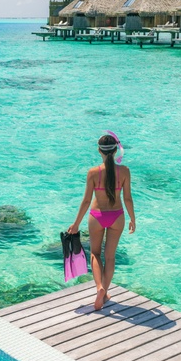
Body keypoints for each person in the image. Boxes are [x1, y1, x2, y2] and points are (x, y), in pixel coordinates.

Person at [68, 132, 136, 310]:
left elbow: (85, 201)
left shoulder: (92, 173)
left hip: (97, 216)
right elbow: (128, 198)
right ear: (115, 151)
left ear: (99, 151)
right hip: (117, 216)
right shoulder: (125, 171)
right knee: (110, 256)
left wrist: (76, 224)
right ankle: (105, 292)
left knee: (95, 254)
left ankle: (99, 288)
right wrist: (132, 219)